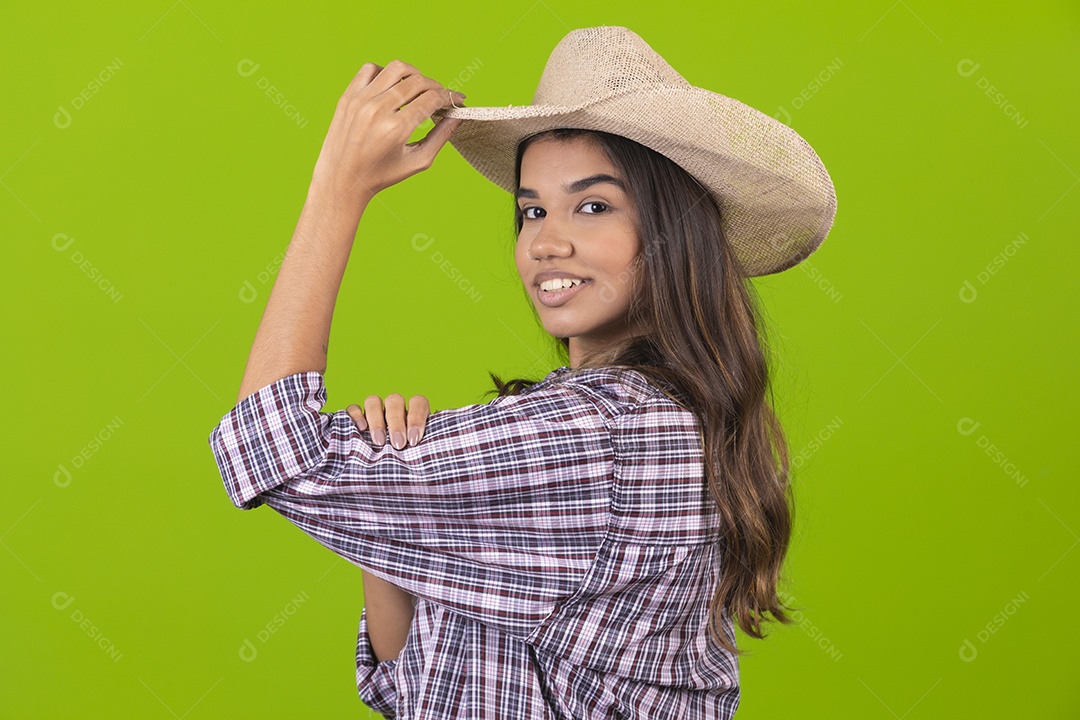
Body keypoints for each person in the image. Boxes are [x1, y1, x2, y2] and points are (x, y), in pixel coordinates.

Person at [208, 25, 836, 719]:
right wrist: (391, 514)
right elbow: (404, 687)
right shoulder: (631, 418)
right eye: (531, 209)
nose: (546, 241)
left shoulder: (610, 431)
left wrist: (337, 191)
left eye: (593, 206)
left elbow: (270, 453)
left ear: (672, 232)